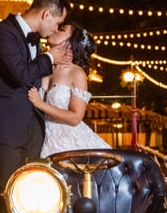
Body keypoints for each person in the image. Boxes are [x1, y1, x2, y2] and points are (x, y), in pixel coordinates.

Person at [0, 0, 72, 213]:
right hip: (4, 129)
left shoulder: (34, 39)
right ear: (46, 14)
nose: (55, 29)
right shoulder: (2, 33)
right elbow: (20, 75)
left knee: (33, 194)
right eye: (57, 23)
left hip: (30, 130)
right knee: (10, 194)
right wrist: (49, 57)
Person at [28, 22, 110, 157]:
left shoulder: (77, 74)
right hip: (38, 137)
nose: (55, 31)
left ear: (71, 42)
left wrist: (41, 104)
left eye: (62, 30)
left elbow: (75, 117)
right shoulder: (41, 65)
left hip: (66, 143)